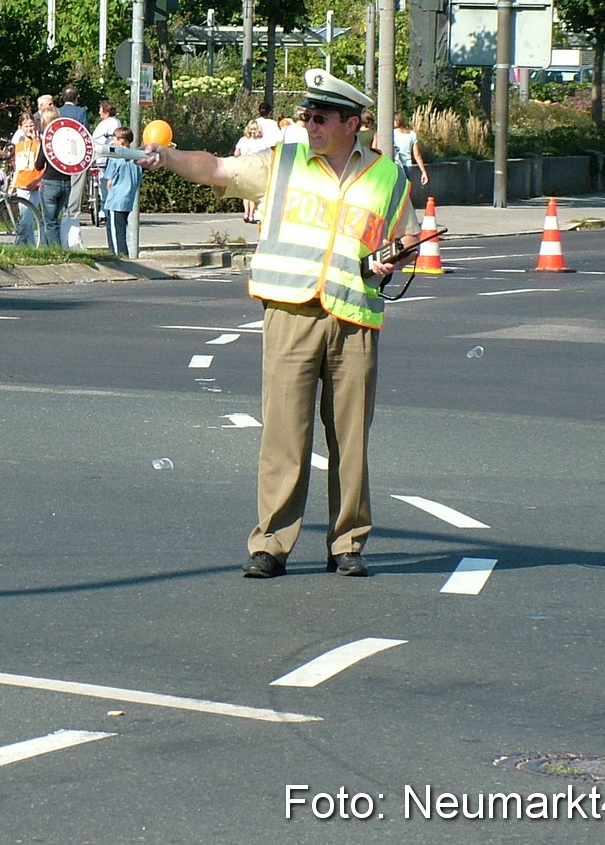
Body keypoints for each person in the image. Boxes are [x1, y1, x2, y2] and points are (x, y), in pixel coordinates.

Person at [138, 69, 422, 579]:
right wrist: (168, 157)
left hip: (354, 318)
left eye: (321, 118)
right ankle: (271, 543)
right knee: (285, 435)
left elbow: (403, 239)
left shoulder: (389, 177)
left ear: (352, 123)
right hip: (291, 311)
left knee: (350, 439)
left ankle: (348, 544)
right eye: (307, 116)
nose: (309, 124)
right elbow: (217, 169)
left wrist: (390, 259)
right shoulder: (284, 161)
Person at [101, 127, 142, 256]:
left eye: (114, 139)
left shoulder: (115, 157)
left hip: (115, 201)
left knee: (114, 235)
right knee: (122, 232)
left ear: (122, 141)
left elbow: (109, 182)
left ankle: (118, 258)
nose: (113, 142)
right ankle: (124, 256)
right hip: (128, 201)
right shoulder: (137, 159)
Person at [58, 86, 91, 243]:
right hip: (77, 156)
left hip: (58, 158)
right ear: (76, 99)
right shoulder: (81, 113)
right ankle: (72, 229)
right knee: (75, 191)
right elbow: (85, 135)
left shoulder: (57, 112)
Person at [36, 107, 73, 247]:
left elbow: (39, 165)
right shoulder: (68, 137)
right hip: (66, 182)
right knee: (52, 219)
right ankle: (44, 250)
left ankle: (56, 250)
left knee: (49, 222)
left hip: (50, 182)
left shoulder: (48, 138)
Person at [10, 110, 44, 245]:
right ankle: (29, 246)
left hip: (35, 184)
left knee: (27, 218)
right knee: (25, 217)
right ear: (20, 128)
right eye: (26, 126)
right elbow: (17, 166)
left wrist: (38, 143)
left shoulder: (39, 141)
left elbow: (41, 164)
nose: (29, 129)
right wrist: (12, 184)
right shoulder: (18, 144)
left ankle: (17, 244)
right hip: (21, 184)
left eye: (31, 125)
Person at [233, 118, 268, 222]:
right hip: (255, 167)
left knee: (245, 193)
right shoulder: (262, 142)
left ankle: (246, 213)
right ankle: (252, 214)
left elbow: (236, 153)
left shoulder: (243, 140)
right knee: (253, 193)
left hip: (244, 166)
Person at [392, 111, 430, 189]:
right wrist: (423, 172)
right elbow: (417, 154)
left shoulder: (392, 133)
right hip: (408, 165)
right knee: (406, 191)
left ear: (396, 121)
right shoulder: (412, 134)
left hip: (396, 164)